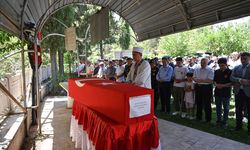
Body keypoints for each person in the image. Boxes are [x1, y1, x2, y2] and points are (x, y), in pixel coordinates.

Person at [230, 52, 250, 135]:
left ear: (249, 58)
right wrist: (239, 80)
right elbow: (231, 77)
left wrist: (248, 82)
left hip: (248, 92)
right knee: (238, 110)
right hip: (238, 91)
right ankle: (238, 126)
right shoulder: (236, 67)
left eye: (245, 58)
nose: (243, 60)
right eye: (242, 58)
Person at [193, 58, 214, 122]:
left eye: (204, 63)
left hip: (206, 88)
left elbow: (210, 80)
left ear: (207, 63)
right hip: (198, 87)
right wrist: (200, 81)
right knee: (198, 102)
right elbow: (194, 78)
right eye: (202, 62)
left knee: (207, 103)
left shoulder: (210, 70)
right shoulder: (196, 69)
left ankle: (208, 119)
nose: (202, 64)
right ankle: (198, 117)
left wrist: (200, 80)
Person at [214, 58, 232, 128]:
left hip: (226, 93)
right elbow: (214, 81)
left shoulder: (230, 72)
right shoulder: (216, 71)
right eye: (220, 65)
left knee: (226, 108)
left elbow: (231, 83)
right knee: (218, 107)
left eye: (222, 65)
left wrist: (223, 85)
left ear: (226, 64)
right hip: (217, 92)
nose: (221, 67)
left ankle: (225, 122)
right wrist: (216, 85)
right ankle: (218, 120)